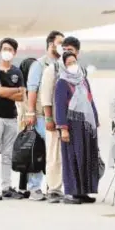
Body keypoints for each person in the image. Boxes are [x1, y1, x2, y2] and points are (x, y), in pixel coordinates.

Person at [22, 30, 64, 201]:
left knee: (53, 154)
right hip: (40, 115)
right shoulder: (39, 65)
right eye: (59, 43)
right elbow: (32, 89)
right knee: (38, 150)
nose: (61, 46)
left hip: (57, 116)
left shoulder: (63, 65)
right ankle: (34, 188)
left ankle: (52, 187)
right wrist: (30, 112)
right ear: (50, 44)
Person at [40, 36, 81, 204]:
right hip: (56, 120)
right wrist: (49, 118)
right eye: (65, 49)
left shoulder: (78, 70)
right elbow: (46, 96)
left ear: (78, 53)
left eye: (71, 50)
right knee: (54, 155)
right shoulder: (53, 69)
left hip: (75, 121)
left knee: (71, 156)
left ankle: (73, 189)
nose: (67, 53)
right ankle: (54, 189)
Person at [54, 52, 99, 205]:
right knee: (72, 158)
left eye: (74, 62)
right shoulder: (62, 82)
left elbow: (90, 100)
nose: (72, 65)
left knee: (85, 157)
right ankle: (71, 193)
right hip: (71, 125)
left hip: (85, 124)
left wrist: (95, 121)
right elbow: (59, 107)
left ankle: (83, 192)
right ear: (63, 66)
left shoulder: (83, 80)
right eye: (69, 63)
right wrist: (63, 128)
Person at [0, 38, 26, 201]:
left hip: (11, 117)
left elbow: (21, 95)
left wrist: (3, 92)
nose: (7, 51)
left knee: (8, 154)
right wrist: (13, 90)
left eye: (10, 49)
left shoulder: (17, 72)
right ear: (0, 50)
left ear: (14, 53)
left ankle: (6, 187)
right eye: (4, 48)